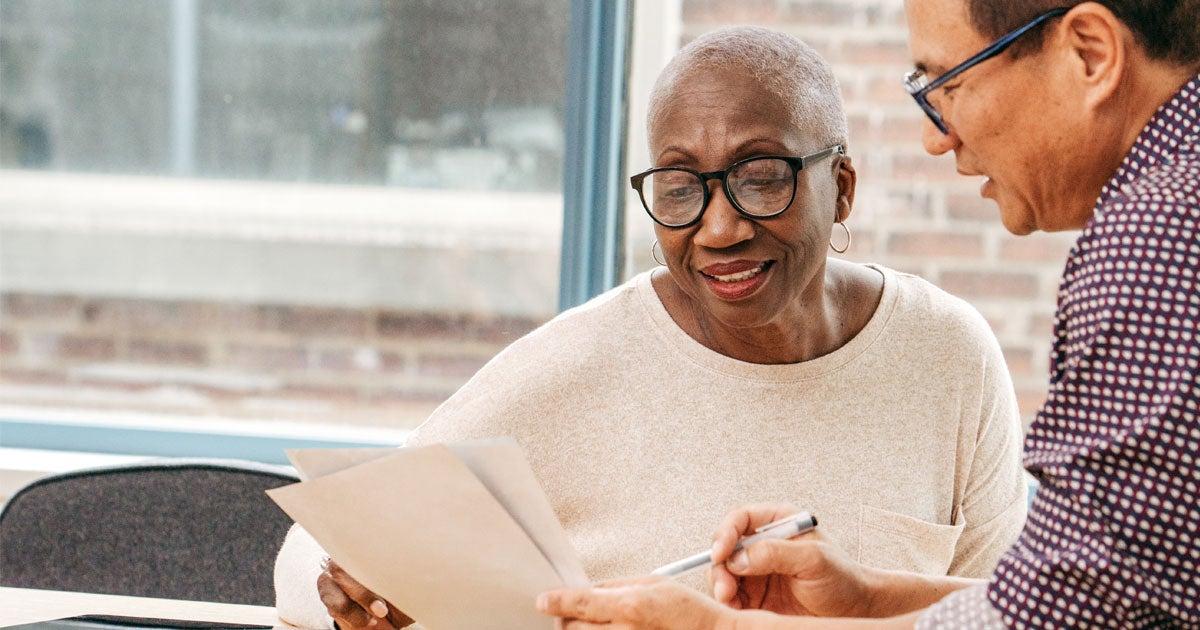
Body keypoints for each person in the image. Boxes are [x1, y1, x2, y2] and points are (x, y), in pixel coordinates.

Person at [273, 27, 1029, 630]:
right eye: (679, 187)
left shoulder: (949, 357)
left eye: (761, 176)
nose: (720, 226)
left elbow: (1008, 610)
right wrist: (358, 605)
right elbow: (315, 547)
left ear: (843, 188)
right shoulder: (572, 366)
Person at [537, 0, 1200, 628]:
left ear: (1089, 54)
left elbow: (1059, 620)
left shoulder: (1155, 240)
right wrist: (866, 599)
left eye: (950, 84)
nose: (936, 137)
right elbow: (1099, 595)